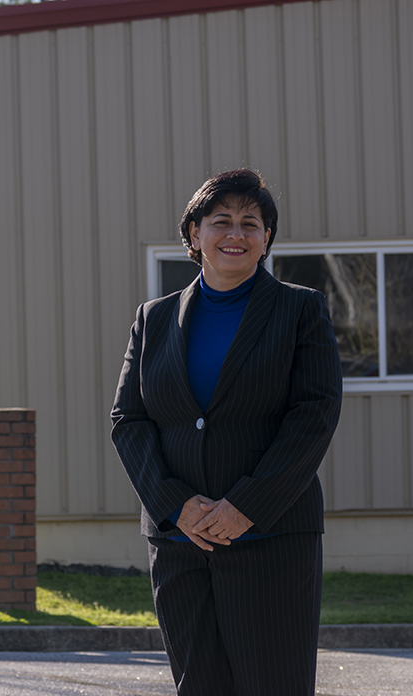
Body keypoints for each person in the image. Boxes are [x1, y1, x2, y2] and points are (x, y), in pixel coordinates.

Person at [111, 168, 343, 695]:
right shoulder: (154, 319)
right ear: (194, 234)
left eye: (250, 223)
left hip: (270, 540)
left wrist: (246, 506)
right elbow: (128, 419)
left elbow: (314, 414)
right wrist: (176, 505)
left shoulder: (300, 309)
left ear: (266, 238)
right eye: (221, 221)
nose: (235, 233)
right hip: (179, 542)